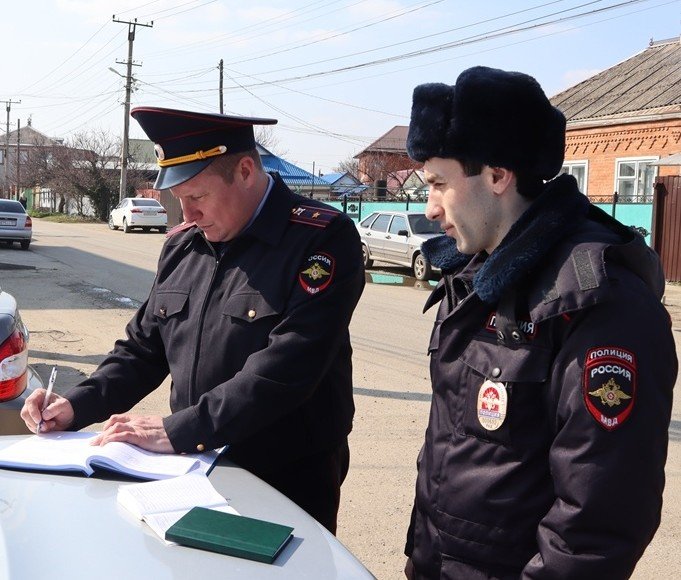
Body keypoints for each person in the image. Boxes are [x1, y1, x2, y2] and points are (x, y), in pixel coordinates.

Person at [21, 106, 365, 534]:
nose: (186, 216)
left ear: (244, 170)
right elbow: (144, 350)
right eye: (178, 200)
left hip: (285, 472)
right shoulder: (185, 245)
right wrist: (76, 405)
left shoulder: (320, 238)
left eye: (197, 198)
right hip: (191, 469)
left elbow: (288, 368)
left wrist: (178, 430)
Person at [403, 66, 677, 579]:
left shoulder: (597, 301)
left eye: (439, 184)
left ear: (498, 175)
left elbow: (599, 518)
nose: (430, 208)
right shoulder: (474, 273)